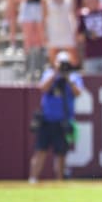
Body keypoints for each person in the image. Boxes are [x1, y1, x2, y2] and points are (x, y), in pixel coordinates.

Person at [28, 51, 83, 183]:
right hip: (47, 120)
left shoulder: (73, 77)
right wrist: (56, 73)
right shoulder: (49, 74)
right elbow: (43, 88)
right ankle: (33, 179)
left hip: (63, 121)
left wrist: (67, 78)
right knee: (40, 151)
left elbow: (78, 92)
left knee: (61, 154)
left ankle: (60, 180)